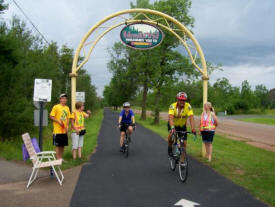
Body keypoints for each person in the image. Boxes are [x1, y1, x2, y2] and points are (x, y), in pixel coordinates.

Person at [167, 92, 196, 164]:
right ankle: (170, 147)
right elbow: (170, 117)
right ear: (177, 100)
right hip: (173, 124)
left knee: (184, 144)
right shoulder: (172, 106)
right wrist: (172, 128)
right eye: (180, 100)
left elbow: (191, 117)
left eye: (184, 100)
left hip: (182, 126)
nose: (182, 102)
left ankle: (182, 161)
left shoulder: (188, 106)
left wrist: (193, 128)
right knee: (171, 135)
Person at [50, 93, 71, 160]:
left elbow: (68, 118)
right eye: (63, 98)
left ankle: (60, 158)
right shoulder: (56, 107)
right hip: (57, 130)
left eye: (65, 98)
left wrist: (67, 126)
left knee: (63, 145)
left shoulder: (67, 108)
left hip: (64, 130)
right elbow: (51, 116)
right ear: (60, 99)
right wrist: (58, 121)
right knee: (58, 145)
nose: (64, 99)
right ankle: (57, 158)